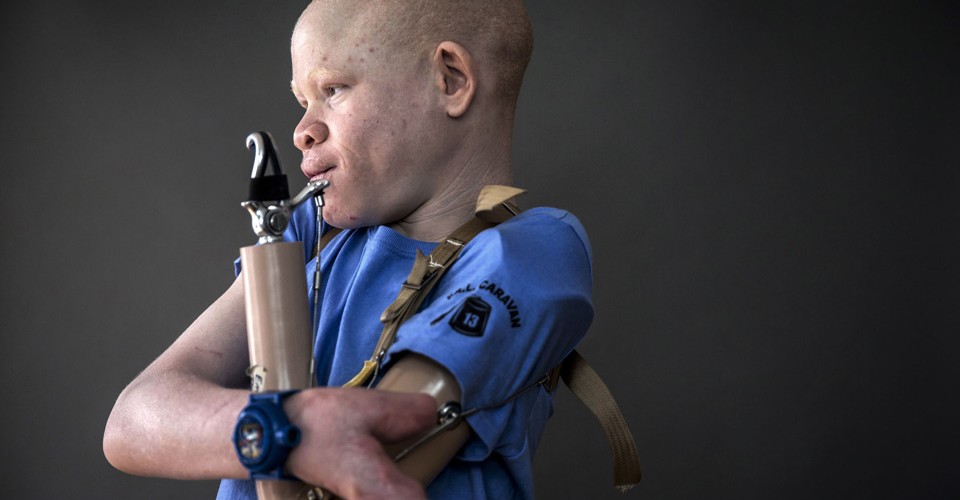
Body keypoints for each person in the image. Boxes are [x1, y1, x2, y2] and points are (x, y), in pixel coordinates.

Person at [103, 1, 594, 498]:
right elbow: (131, 421)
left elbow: (364, 461)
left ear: (450, 80)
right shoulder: (310, 230)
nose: (302, 132)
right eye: (302, 102)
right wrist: (286, 431)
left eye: (333, 89)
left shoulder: (535, 251)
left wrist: (256, 433)